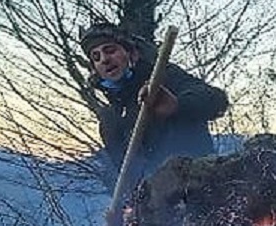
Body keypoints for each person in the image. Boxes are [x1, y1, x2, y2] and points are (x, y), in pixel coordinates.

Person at [79, 21, 229, 191]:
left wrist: (177, 106)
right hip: (159, 203)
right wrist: (122, 207)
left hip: (201, 181)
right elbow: (124, 174)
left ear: (131, 53)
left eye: (110, 50)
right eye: (96, 57)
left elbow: (217, 100)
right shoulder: (110, 118)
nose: (105, 59)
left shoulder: (163, 77)